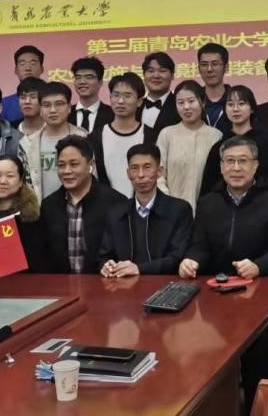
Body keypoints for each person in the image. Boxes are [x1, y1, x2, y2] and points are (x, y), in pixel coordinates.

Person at [180, 135, 268, 407]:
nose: (236, 168)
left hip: (261, 294)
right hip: (216, 294)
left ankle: (256, 415)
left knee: (256, 346)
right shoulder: (208, 203)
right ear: (221, 167)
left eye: (243, 161)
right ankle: (214, 413)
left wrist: (259, 266)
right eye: (229, 161)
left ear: (256, 166)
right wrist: (191, 260)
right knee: (193, 337)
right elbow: (200, 246)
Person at [99, 144, 193, 276]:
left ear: (159, 171)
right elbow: (104, 255)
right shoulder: (116, 213)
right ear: (128, 174)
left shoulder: (179, 210)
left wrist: (139, 268)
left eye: (147, 167)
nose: (141, 175)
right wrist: (106, 265)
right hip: (123, 284)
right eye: (134, 168)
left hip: (165, 283)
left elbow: (177, 258)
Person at [39, 136, 127, 273]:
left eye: (74, 164)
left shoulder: (115, 202)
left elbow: (123, 251)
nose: (67, 171)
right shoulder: (49, 205)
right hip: (60, 284)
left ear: (90, 165)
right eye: (61, 165)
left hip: (103, 282)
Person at [199, 85, 268, 199]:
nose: (235, 109)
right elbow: (209, 186)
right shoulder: (219, 146)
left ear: (252, 108)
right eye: (230, 104)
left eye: (241, 104)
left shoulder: (267, 144)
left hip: (262, 205)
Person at [154, 80, 222, 212]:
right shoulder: (167, 134)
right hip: (171, 211)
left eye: (191, 101)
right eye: (180, 103)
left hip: (206, 211)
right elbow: (158, 174)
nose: (186, 107)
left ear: (203, 102)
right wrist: (169, 204)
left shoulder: (215, 136)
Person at [21, 81, 88, 199]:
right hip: (41, 207)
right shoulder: (27, 144)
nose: (53, 110)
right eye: (46, 105)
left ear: (69, 108)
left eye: (59, 104)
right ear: (40, 109)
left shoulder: (85, 138)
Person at [90, 72, 154, 195]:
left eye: (127, 96)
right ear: (110, 98)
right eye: (116, 95)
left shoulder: (151, 135)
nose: (120, 101)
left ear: (139, 101)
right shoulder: (96, 136)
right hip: (106, 204)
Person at [0, 44, 45, 123]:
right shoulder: (3, 104)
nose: (28, 68)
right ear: (16, 70)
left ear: (42, 69)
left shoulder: (53, 100)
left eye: (33, 63)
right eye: (22, 64)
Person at [141, 51, 180, 134]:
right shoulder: (135, 106)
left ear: (172, 75)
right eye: (151, 71)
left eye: (162, 71)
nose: (156, 76)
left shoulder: (181, 105)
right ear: (144, 75)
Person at [70, 57, 112, 132]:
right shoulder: (65, 114)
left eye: (89, 77)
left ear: (100, 82)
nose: (82, 82)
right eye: (78, 77)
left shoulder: (112, 114)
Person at [198, 42, 231, 129]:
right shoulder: (193, 101)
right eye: (204, 65)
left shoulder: (237, 99)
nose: (209, 69)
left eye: (215, 64)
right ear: (199, 68)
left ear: (226, 67)